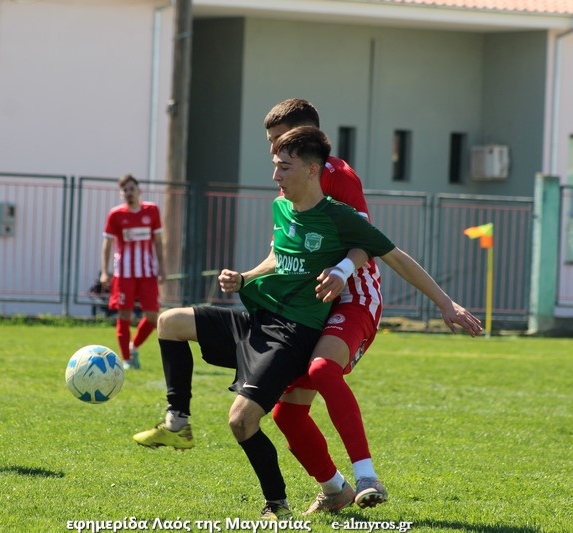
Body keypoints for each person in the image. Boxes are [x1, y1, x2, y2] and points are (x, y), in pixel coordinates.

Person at [132, 126, 482, 519]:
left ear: (313, 170)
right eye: (275, 165)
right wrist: (244, 279)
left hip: (290, 334)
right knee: (170, 322)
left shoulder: (339, 216)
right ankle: (178, 422)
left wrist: (445, 303)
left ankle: (281, 504)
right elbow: (278, 258)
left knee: (242, 420)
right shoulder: (280, 207)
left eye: (284, 167)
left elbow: (395, 256)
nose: (275, 175)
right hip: (258, 318)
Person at [260, 98, 391, 512]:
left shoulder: (338, 176)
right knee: (286, 415)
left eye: (279, 139)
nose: (273, 151)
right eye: (271, 142)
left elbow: (367, 244)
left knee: (322, 369)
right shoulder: (288, 182)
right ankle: (335, 489)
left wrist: (341, 270)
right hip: (311, 303)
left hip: (354, 294)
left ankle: (367, 476)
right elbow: (283, 254)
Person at [100, 174, 165, 369]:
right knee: (124, 316)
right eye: (125, 190)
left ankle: (133, 346)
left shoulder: (152, 210)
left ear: (139, 191)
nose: (129, 193)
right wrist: (105, 271)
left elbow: (158, 242)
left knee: (153, 316)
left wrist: (162, 268)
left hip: (147, 273)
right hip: (124, 274)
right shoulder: (116, 214)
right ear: (122, 194)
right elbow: (107, 244)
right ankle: (126, 359)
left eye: (132, 189)